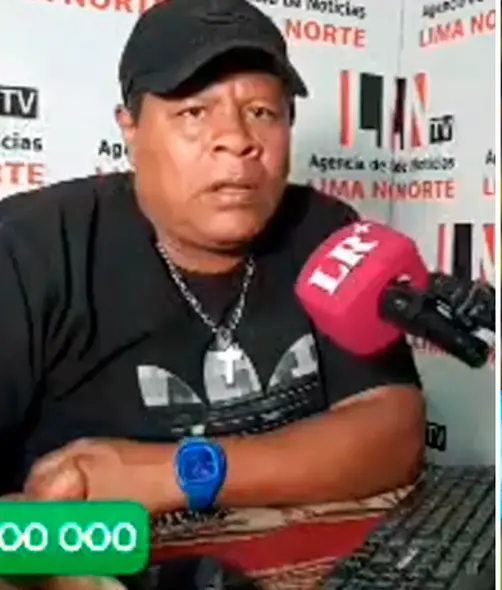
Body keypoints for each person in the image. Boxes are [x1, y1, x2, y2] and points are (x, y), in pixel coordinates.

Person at [0, 0, 424, 517]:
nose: (238, 141)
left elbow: (393, 429)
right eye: (194, 112)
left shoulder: (327, 230)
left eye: (262, 112)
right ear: (129, 127)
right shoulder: (29, 247)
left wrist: (180, 473)